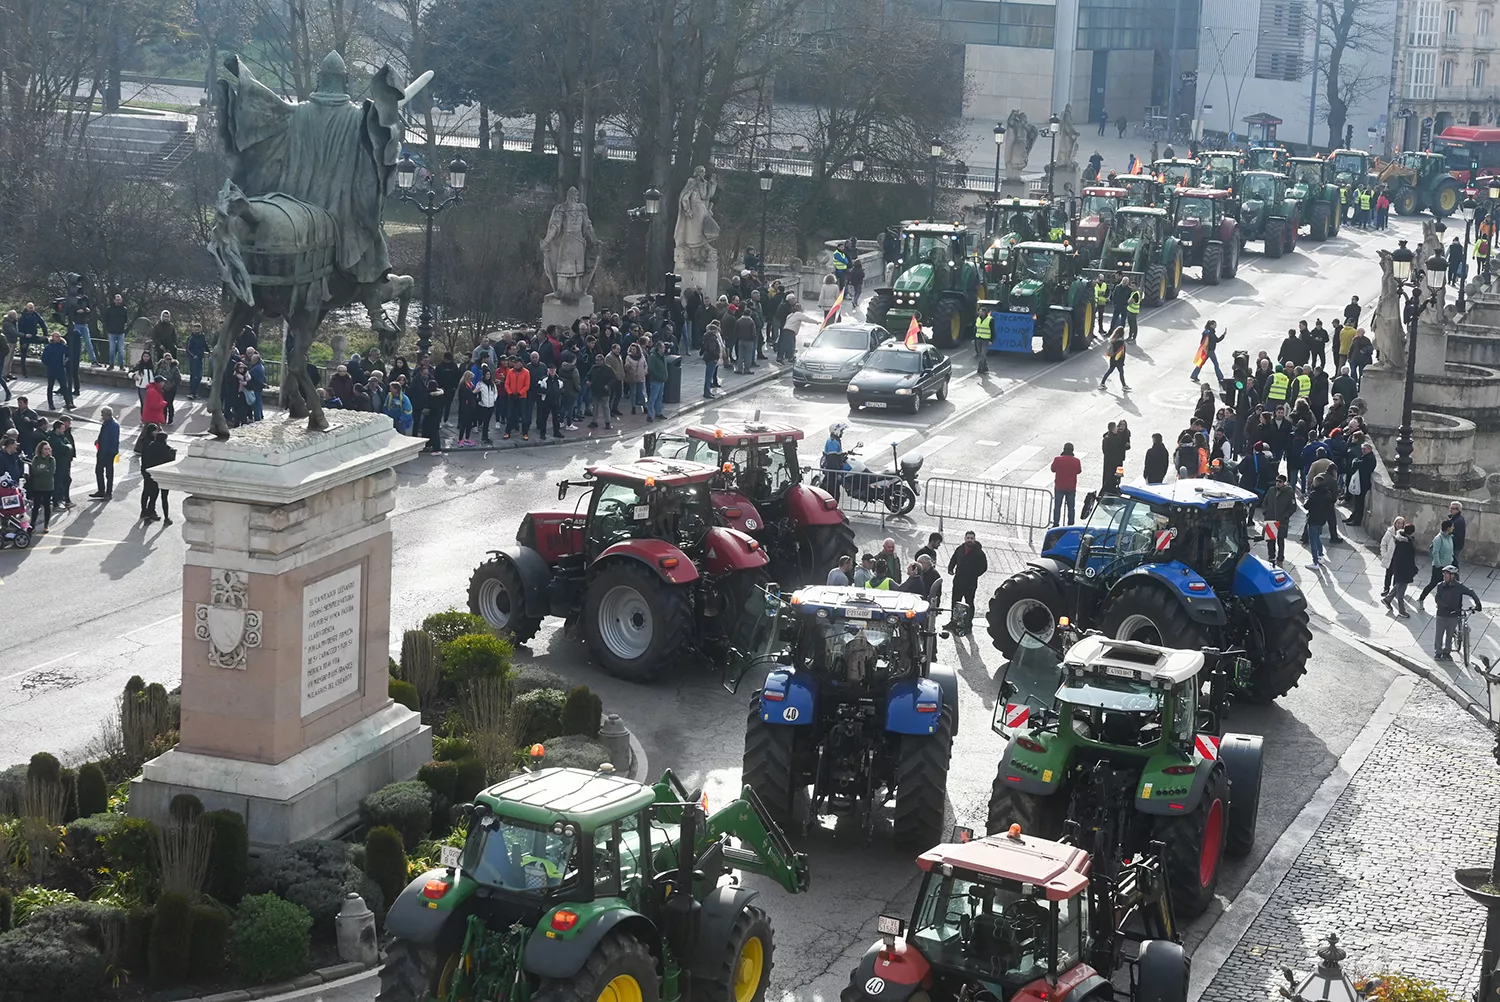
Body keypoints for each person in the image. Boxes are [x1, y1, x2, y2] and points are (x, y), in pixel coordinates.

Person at [1432, 565, 1482, 660]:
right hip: (1441, 614)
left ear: (1453, 576)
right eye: (1444, 574)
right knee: (1439, 634)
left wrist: (1478, 604)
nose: (1444, 576)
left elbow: (1471, 592)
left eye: (1447, 574)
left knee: (1449, 635)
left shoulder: (1459, 587)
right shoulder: (1440, 586)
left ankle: (1447, 652)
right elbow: (1437, 598)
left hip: (1454, 615)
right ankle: (1438, 653)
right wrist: (1445, 606)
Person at [946, 531, 988, 632]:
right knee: (955, 602)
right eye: (968, 538)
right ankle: (954, 621)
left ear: (974, 539)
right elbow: (954, 559)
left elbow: (984, 567)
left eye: (971, 538)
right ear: (965, 539)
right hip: (958, 581)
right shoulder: (960, 549)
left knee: (969, 603)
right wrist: (950, 568)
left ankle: (968, 625)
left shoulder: (979, 553)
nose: (969, 540)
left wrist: (973, 574)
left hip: (970, 584)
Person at [140, 427, 176, 525]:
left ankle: (148, 515)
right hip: (163, 477)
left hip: (153, 475)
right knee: (164, 498)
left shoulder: (150, 446)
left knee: (153, 496)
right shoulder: (165, 449)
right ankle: (166, 518)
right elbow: (170, 461)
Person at [1418, 520, 1457, 603]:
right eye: (1452, 526)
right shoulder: (1438, 539)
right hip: (1439, 567)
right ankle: (1421, 599)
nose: (1453, 528)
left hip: (1448, 566)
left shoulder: (1450, 537)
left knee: (1446, 586)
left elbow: (1450, 550)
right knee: (1433, 584)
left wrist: (1452, 561)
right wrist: (1439, 565)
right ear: (1448, 528)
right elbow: (1435, 552)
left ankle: (1443, 602)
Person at [1303, 474, 1335, 571]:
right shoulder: (1328, 494)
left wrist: (1306, 500)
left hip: (1313, 519)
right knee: (1317, 537)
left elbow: (1306, 506)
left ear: (1316, 483)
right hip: (1322, 520)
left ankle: (1315, 561)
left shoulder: (1314, 494)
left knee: (1313, 540)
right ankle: (1320, 556)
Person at [1262, 473, 1295, 567]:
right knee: (1270, 540)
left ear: (1284, 483)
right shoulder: (1271, 490)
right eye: (1276, 481)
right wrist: (1265, 512)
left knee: (1280, 541)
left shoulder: (1289, 492)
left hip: (1281, 521)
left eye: (1280, 481)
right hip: (1270, 518)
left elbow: (1293, 507)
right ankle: (1271, 556)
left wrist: (1286, 516)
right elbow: (1265, 501)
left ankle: (1280, 558)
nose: (1277, 483)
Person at [46, 418, 76, 510]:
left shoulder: (61, 436)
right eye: (62, 429)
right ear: (57, 429)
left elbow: (68, 444)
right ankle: (56, 503)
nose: (64, 430)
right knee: (58, 483)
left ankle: (66, 500)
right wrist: (68, 447)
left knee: (66, 481)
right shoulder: (54, 439)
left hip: (63, 464)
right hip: (58, 465)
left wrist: (68, 446)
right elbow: (66, 448)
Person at [25, 439, 55, 532]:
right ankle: (32, 524)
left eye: (48, 449)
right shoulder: (36, 459)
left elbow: (51, 472)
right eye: (45, 449)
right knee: (36, 506)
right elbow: (34, 471)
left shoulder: (51, 459)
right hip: (37, 486)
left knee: (47, 506)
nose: (47, 451)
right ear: (41, 449)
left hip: (48, 486)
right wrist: (44, 470)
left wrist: (41, 471)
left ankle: (46, 525)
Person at [1051, 443, 1082, 526]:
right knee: (1071, 507)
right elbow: (1079, 471)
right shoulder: (1076, 461)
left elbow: (1053, 469)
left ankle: (1056, 523)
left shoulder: (1058, 459)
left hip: (1059, 486)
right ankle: (1070, 524)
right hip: (1071, 486)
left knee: (1057, 506)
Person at [1344, 442, 1375, 525]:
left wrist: (1355, 461)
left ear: (1369, 449)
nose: (1362, 451)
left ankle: (1357, 521)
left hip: (1363, 484)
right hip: (1361, 483)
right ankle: (1353, 518)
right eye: (1362, 449)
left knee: (1360, 503)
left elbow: (1357, 464)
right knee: (1357, 502)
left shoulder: (1369, 458)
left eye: (1364, 449)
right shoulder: (1366, 457)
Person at [41, 332, 73, 411]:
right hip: (51, 369)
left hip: (61, 369)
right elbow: (44, 359)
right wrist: (49, 365)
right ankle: (50, 403)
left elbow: (68, 355)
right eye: (56, 337)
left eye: (59, 336)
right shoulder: (48, 347)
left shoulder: (63, 347)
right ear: (52, 337)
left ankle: (68, 402)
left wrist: (65, 361)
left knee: (64, 387)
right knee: (50, 387)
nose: (58, 338)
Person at [1380, 516, 1409, 599]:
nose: (1400, 525)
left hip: (1398, 559)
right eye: (1398, 523)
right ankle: (1386, 589)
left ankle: (1394, 591)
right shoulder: (1390, 532)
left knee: (1397, 575)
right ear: (1395, 523)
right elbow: (1383, 543)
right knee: (1388, 574)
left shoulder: (1403, 534)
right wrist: (1384, 554)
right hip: (1390, 557)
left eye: (1401, 523)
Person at [588, 352, 617, 431]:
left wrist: (608, 385)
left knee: (605, 407)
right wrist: (588, 381)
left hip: (604, 391)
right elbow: (589, 375)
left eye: (598, 360)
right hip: (595, 390)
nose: (597, 362)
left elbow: (613, 378)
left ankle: (607, 422)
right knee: (595, 407)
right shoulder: (593, 368)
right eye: (596, 360)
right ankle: (594, 421)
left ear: (603, 360)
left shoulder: (608, 369)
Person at [102, 293, 129, 369]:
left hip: (121, 333)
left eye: (119, 299)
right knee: (112, 350)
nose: (118, 301)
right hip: (111, 332)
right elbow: (105, 320)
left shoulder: (124, 309)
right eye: (117, 300)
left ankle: (121, 365)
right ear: (114, 300)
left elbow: (126, 320)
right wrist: (108, 328)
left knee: (121, 350)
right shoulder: (109, 309)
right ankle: (111, 364)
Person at [1100, 326, 1128, 391]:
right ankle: (1124, 386)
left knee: (1110, 371)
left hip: (1112, 359)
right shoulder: (1121, 342)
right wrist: (1119, 360)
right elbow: (1120, 352)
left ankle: (1102, 383)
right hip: (1118, 360)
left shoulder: (1113, 340)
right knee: (1121, 372)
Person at [646, 341, 669, 422]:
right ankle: (650, 415)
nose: (664, 349)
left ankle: (658, 413)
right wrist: (659, 376)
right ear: (659, 348)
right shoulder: (653, 356)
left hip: (662, 380)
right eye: (663, 347)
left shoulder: (663, 356)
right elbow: (651, 369)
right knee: (653, 398)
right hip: (656, 380)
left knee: (659, 397)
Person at [185, 323, 209, 399]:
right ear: (193, 329)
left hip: (200, 358)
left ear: (200, 329)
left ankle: (194, 392)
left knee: (199, 376)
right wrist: (193, 355)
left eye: (198, 329)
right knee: (193, 376)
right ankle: (192, 393)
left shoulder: (202, 336)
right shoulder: (191, 338)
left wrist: (209, 351)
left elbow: (205, 345)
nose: (197, 330)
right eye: (195, 329)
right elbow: (188, 349)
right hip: (193, 359)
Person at [475, 368, 498, 443]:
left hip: (491, 405)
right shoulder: (480, 384)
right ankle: (484, 437)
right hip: (483, 406)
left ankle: (486, 436)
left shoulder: (492, 384)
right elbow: (476, 392)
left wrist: (493, 399)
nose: (488, 376)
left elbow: (495, 392)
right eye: (487, 374)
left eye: (489, 374)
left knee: (487, 422)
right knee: (485, 422)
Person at [974, 304, 992, 374]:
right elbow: (975, 329)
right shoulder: (977, 319)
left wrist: (991, 340)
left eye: (981, 311)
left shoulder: (990, 319)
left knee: (983, 354)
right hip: (978, 338)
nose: (980, 313)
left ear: (985, 312)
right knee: (980, 354)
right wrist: (974, 338)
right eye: (979, 311)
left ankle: (980, 368)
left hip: (986, 340)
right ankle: (985, 367)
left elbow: (992, 330)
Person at [1450, 500, 1467, 565]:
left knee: (1454, 563)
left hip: (1455, 546)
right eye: (1451, 508)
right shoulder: (1455, 518)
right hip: (1456, 545)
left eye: (1453, 508)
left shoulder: (1458, 521)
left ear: (1458, 510)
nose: (1451, 510)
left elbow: (1457, 535)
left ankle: (1455, 575)